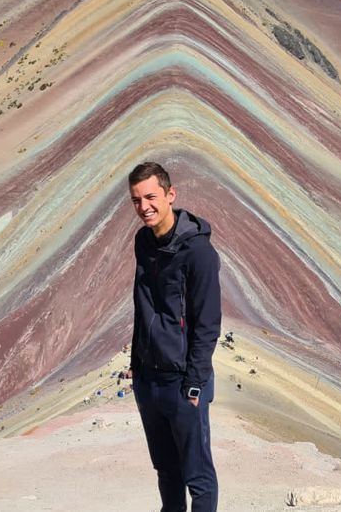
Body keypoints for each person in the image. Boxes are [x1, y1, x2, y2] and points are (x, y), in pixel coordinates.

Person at [127, 161, 221, 512]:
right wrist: (137, 366)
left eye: (151, 197)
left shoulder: (198, 253)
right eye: (136, 200)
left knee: (197, 476)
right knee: (166, 471)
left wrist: (194, 384)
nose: (144, 207)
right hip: (149, 379)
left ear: (170, 195)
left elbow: (208, 322)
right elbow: (143, 306)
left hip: (183, 383)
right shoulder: (143, 242)